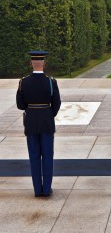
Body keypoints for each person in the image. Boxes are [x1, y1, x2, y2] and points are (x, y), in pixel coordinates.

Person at [16, 51, 61, 197]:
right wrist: (48, 114)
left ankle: (37, 190)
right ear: (44, 64)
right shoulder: (50, 81)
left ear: (31, 63)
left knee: (34, 156)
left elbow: (20, 105)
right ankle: (46, 190)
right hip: (46, 122)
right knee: (47, 156)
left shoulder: (23, 82)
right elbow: (57, 103)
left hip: (30, 122)